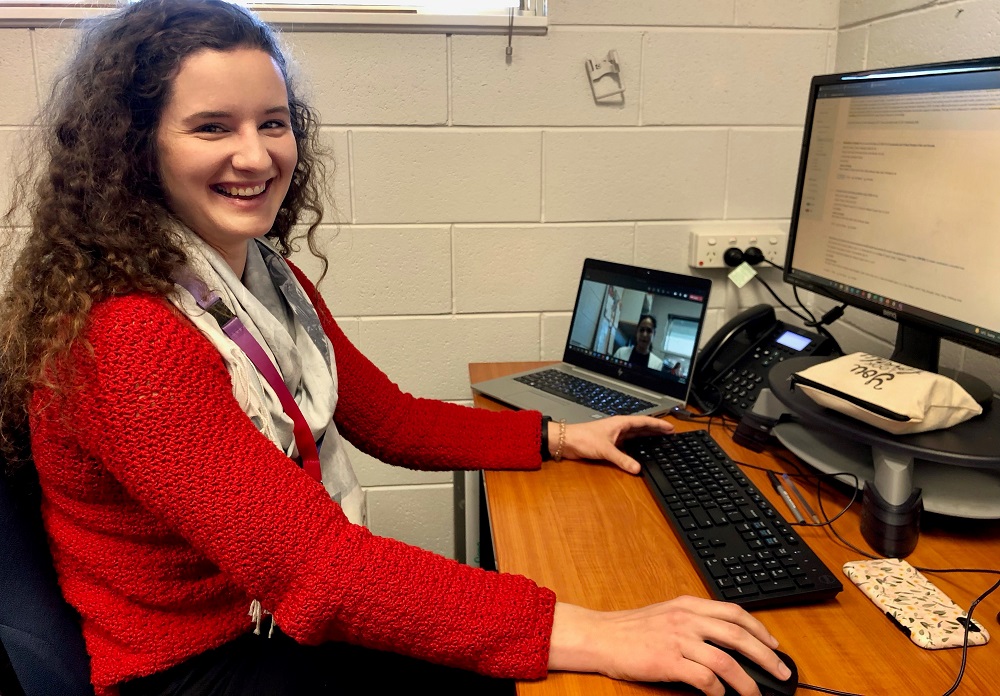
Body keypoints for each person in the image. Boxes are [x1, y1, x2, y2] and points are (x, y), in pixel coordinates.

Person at [0, 1, 792, 695]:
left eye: (273, 123)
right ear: (136, 149)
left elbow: (391, 420)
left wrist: (556, 437)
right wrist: (594, 631)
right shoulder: (126, 333)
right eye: (212, 127)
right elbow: (320, 572)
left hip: (273, 615)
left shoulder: (264, 278)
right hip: (194, 665)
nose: (257, 155)